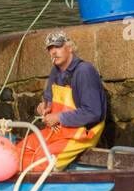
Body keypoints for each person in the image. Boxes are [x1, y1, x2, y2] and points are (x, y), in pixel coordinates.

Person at [17, 29, 108, 171]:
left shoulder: (84, 71)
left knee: (39, 163)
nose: (53, 52)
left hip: (81, 133)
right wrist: (45, 107)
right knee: (20, 152)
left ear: (70, 48)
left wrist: (59, 117)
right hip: (58, 130)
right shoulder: (55, 71)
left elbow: (93, 112)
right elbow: (49, 100)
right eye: (50, 48)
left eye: (58, 46)